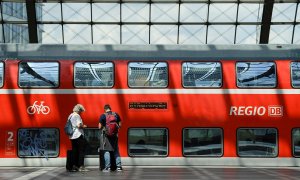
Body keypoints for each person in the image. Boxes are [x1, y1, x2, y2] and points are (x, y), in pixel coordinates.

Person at [98, 104, 123, 172]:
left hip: (106, 137)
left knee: (106, 151)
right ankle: (119, 167)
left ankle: (107, 167)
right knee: (116, 151)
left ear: (105, 109)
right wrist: (116, 129)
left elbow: (99, 127)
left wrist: (104, 128)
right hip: (115, 136)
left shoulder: (103, 116)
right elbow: (120, 124)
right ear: (110, 108)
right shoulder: (116, 114)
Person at [68, 104, 89, 172]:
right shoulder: (77, 115)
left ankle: (74, 166)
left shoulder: (70, 115)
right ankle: (81, 166)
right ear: (79, 110)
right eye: (81, 111)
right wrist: (84, 126)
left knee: (75, 151)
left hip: (72, 136)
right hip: (78, 135)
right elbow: (79, 126)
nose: (81, 112)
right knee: (81, 151)